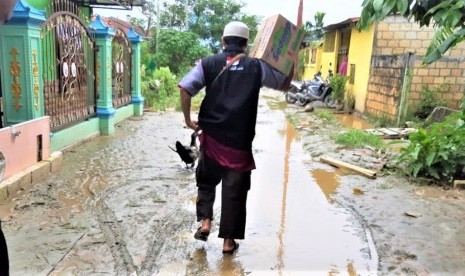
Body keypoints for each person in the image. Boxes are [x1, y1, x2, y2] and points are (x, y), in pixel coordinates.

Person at [178, 21, 293, 254]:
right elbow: (285, 85)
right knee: (235, 192)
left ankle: (206, 223)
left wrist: (189, 119)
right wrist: (291, 58)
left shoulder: (207, 64)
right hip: (239, 143)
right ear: (246, 43)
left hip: (211, 139)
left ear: (223, 41)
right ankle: (228, 243)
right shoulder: (257, 67)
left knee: (206, 181)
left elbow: (185, 88)